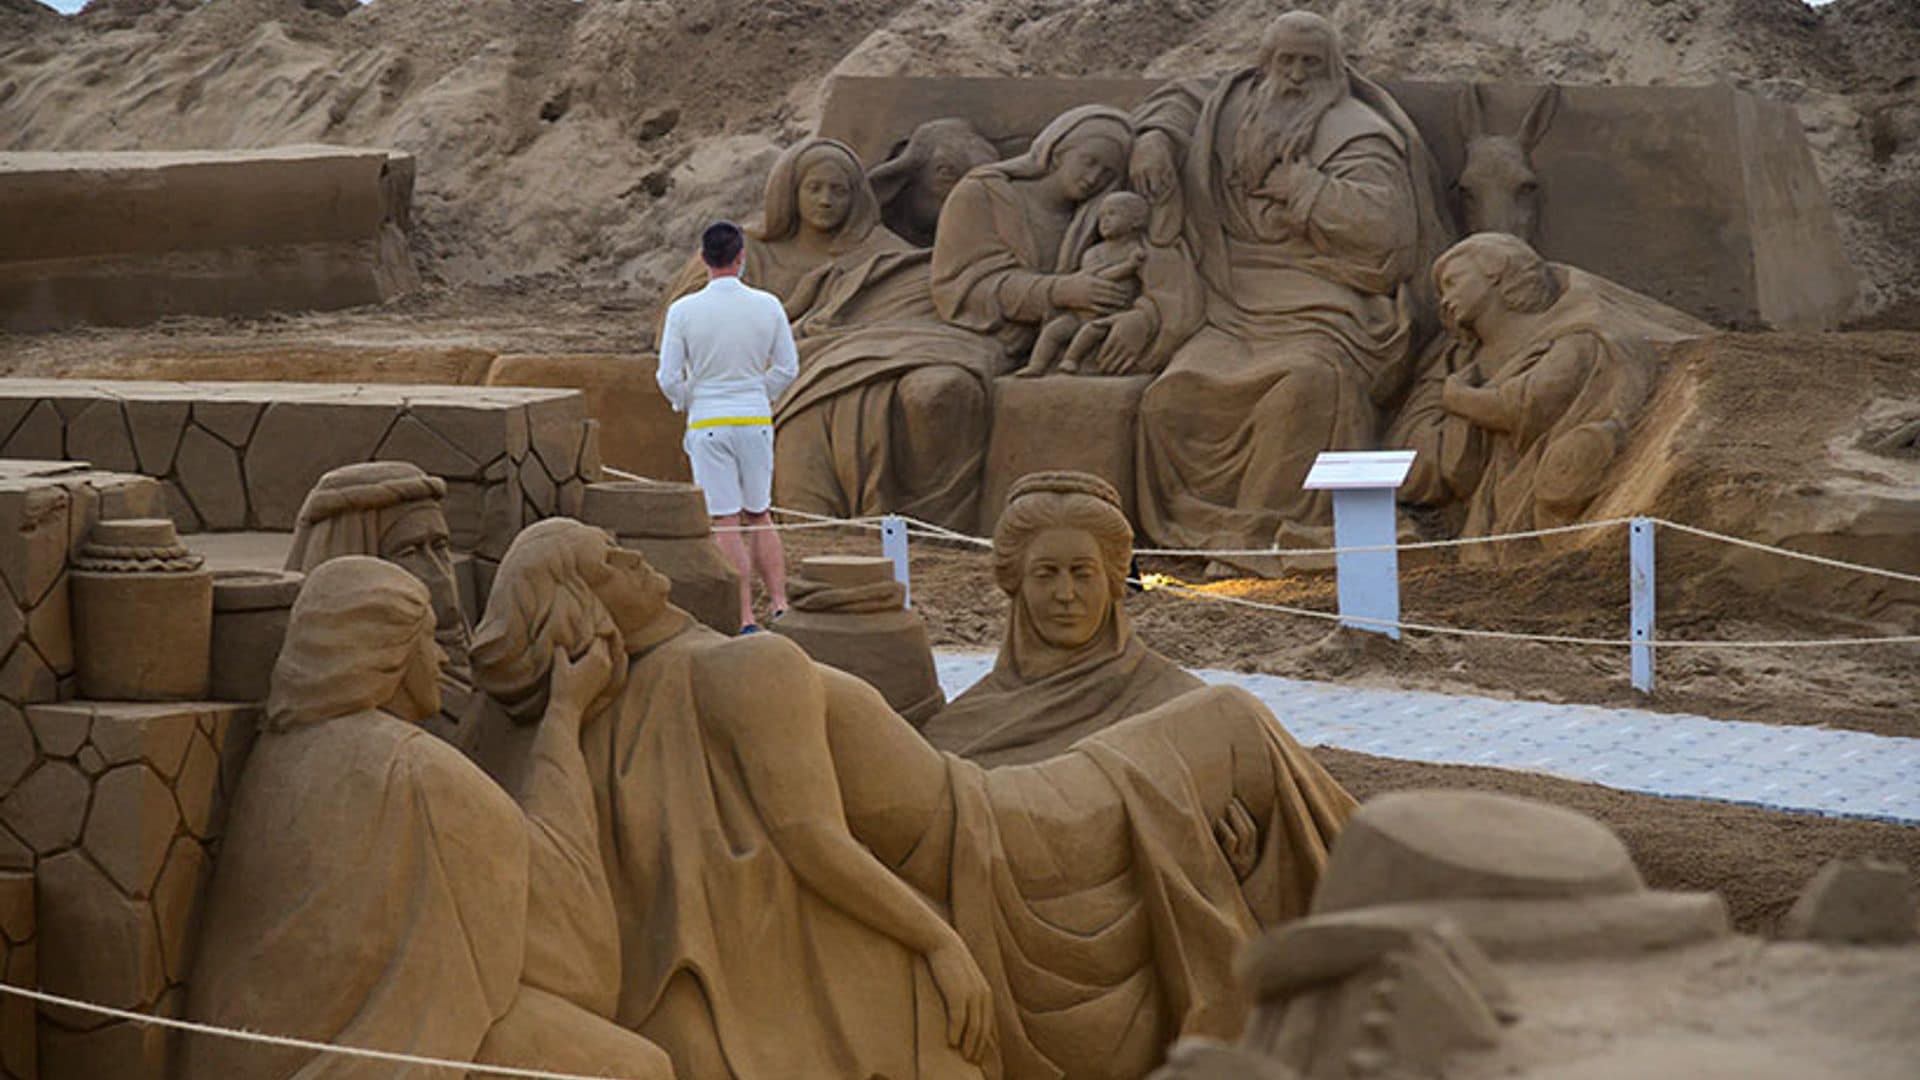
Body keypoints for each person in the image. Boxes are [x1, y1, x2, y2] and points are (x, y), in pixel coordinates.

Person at [471, 518, 1355, 1080]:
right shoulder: (749, 664)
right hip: (1000, 833)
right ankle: (1386, 931)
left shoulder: (627, 698)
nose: (633, 555)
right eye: (607, 563)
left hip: (993, 811)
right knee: (1236, 720)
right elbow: (811, 839)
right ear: (587, 605)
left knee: (1225, 748)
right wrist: (941, 942)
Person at [181, 558, 672, 1079]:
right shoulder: (414, 769)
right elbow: (577, 947)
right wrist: (564, 715)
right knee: (638, 1068)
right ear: (387, 654)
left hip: (242, 1058)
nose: (439, 657)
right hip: (359, 1055)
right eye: (427, 639)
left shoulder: (278, 755)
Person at [1127, 10, 1449, 552]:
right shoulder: (1232, 107)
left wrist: (1304, 187)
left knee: (1305, 386)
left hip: (1330, 304)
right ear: (1263, 65)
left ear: (1333, 69)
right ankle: (1196, 533)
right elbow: (1177, 103)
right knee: (1169, 401)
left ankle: (1265, 534)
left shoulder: (1357, 132)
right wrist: (1153, 138)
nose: (1297, 76)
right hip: (1232, 306)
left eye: (1311, 63)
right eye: (1286, 61)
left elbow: (1387, 233)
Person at [662, 137, 1004, 531]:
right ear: (790, 192)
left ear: (856, 198)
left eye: (838, 190)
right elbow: (685, 326)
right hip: (774, 385)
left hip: (854, 371)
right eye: (814, 188)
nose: (826, 200)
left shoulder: (883, 253)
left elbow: (918, 314)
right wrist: (796, 310)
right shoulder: (748, 251)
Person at [1419, 232, 1710, 548]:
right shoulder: (1466, 359)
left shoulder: (1576, 336)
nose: (1445, 299)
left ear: (1496, 274)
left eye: (1453, 282)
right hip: (1499, 498)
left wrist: (1459, 398)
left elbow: (1526, 404)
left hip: (1554, 487)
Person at [920, 471, 1203, 765]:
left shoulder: (1176, 707)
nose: (1065, 594)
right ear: (1015, 580)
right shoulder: (960, 726)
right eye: (1045, 574)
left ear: (1113, 580)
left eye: (1083, 573)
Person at [657, 219, 799, 632]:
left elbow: (668, 377)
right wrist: (761, 391)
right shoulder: (768, 305)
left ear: (703, 259)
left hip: (710, 420)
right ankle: (779, 603)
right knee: (760, 514)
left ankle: (743, 615)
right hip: (755, 418)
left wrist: (689, 400)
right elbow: (788, 367)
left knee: (725, 520)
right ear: (741, 258)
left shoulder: (683, 311)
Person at [283, 460, 479, 747]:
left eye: (440, 547)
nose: (439, 574)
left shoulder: (471, 673)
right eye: (410, 551)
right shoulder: (382, 729)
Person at [931, 105, 1138, 364]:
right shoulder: (981, 194)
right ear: (1058, 151)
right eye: (1089, 161)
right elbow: (961, 290)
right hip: (982, 340)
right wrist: (1059, 291)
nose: (1094, 177)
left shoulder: (1098, 221)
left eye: (1107, 172)